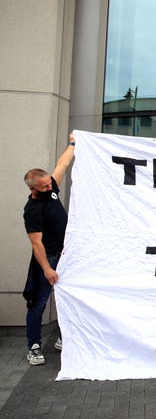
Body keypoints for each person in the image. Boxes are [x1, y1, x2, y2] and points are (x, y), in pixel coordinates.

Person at [22, 132, 75, 365]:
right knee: (40, 303)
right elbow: (36, 243)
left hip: (66, 254)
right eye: (43, 187)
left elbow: (62, 163)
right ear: (34, 188)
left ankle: (64, 338)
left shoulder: (51, 186)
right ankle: (33, 347)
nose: (49, 188)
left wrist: (73, 142)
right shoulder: (32, 209)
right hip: (49, 257)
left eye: (48, 184)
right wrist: (46, 269)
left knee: (70, 296)